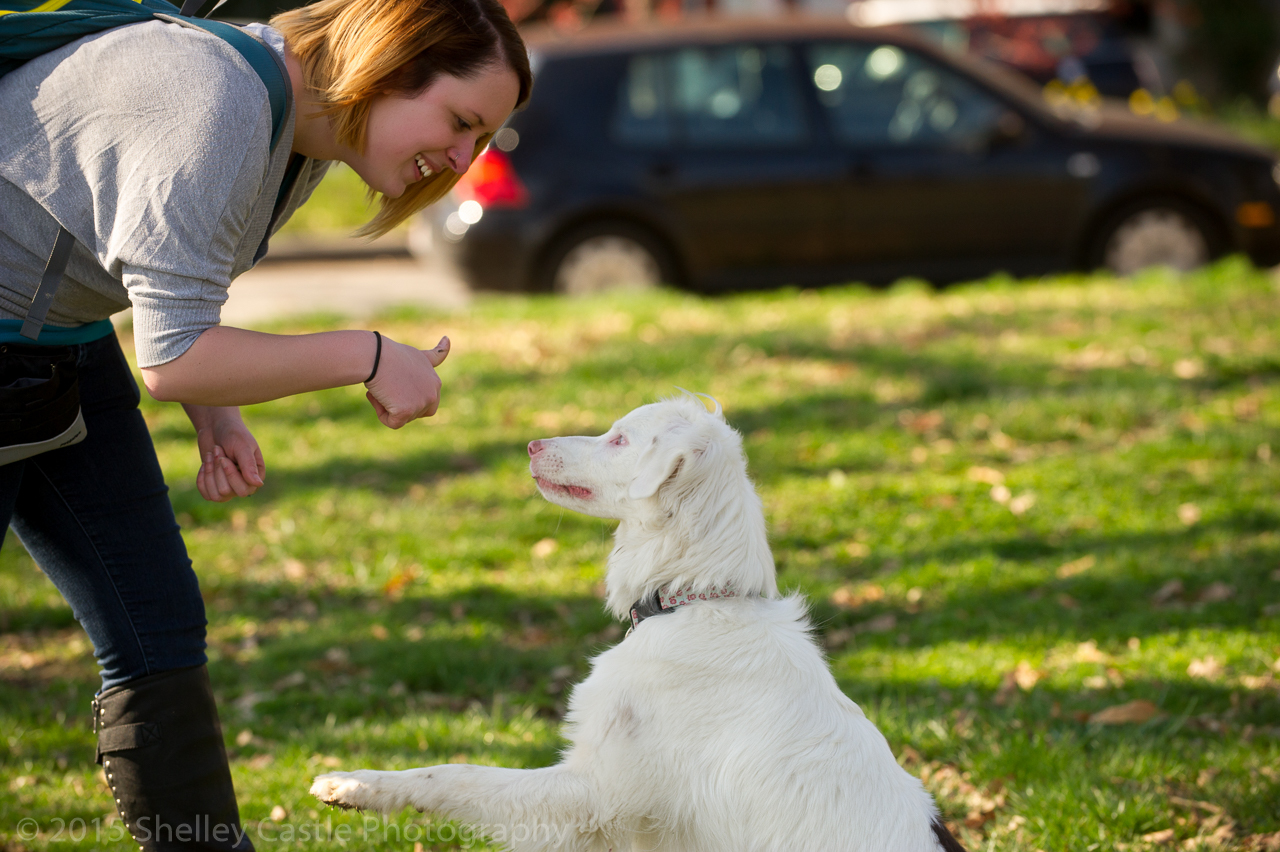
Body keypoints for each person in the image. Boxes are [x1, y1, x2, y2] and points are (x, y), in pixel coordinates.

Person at [0, 0, 532, 846]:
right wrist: (365, 354)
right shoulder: (214, 98)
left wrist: (217, 410)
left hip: (56, 336)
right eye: (462, 123)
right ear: (387, 65)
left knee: (156, 627)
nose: (465, 160)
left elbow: (168, 285)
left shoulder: (298, 137)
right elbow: (174, 357)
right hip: (23, 334)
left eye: (483, 138)